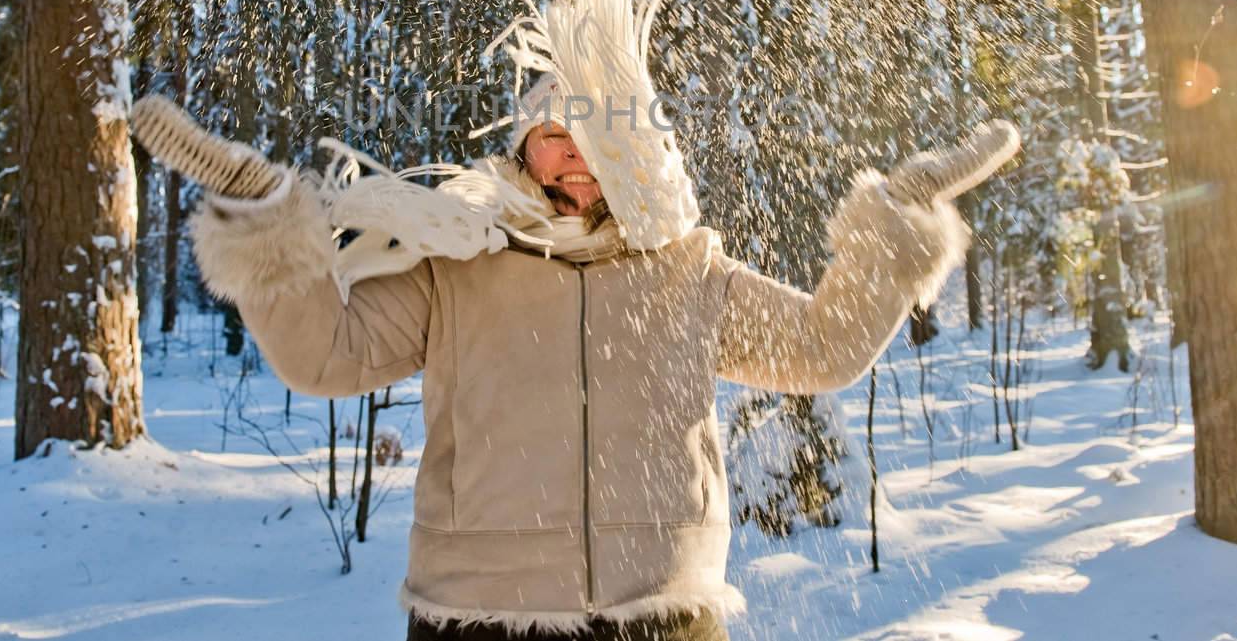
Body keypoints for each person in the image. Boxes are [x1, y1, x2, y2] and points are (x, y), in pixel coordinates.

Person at [146, 68, 1013, 641]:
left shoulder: (684, 267)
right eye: (557, 131)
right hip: (481, 617)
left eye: (604, 129)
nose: (579, 154)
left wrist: (895, 217)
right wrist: (264, 212)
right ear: (522, 144)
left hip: (668, 612)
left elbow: (822, 347)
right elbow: (325, 358)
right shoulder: (460, 264)